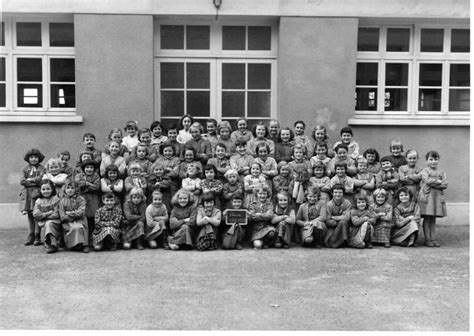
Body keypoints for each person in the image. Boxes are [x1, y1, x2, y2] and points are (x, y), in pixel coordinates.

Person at [418, 150, 448, 247]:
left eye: (436, 159)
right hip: (428, 197)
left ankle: (433, 238)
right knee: (427, 218)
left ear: (438, 160)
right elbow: (427, 180)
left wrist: (437, 184)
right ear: (427, 161)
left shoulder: (441, 172)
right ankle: (427, 239)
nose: (433, 161)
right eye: (431, 159)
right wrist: (438, 182)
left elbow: (445, 183)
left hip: (437, 198)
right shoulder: (425, 171)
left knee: (433, 218)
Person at [20, 148, 46, 246]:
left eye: (36, 157)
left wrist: (30, 180)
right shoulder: (25, 169)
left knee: (37, 214)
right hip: (27, 194)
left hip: (37, 193)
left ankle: (37, 235)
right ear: (28, 158)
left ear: (39, 158)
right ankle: (31, 234)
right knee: (30, 215)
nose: (34, 159)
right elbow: (22, 181)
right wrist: (32, 181)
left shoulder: (42, 168)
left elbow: (41, 179)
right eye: (31, 157)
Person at [75, 159, 101, 245]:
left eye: (91, 167)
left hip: (93, 199)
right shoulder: (79, 175)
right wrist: (88, 185)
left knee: (93, 219)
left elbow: (97, 187)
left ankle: (93, 239)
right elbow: (78, 185)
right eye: (87, 167)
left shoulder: (96, 176)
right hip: (82, 198)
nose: (89, 169)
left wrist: (87, 184)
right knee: (84, 219)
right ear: (83, 168)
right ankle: (83, 240)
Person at [59, 180, 89, 253]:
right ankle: (72, 245)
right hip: (68, 221)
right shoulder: (62, 201)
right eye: (68, 188)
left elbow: (81, 212)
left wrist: (69, 213)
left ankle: (84, 245)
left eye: (72, 188)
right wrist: (72, 216)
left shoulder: (81, 199)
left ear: (76, 189)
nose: (70, 190)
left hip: (80, 220)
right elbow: (62, 216)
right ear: (64, 189)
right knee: (72, 228)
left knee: (80, 227)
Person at [33, 180, 61, 253]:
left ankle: (49, 243)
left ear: (52, 189)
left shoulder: (55, 199)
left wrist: (44, 216)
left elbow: (57, 213)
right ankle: (52, 243)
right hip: (43, 221)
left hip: (55, 221)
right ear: (40, 190)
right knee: (48, 224)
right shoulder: (39, 201)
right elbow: (36, 214)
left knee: (49, 223)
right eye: (43, 189)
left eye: (48, 189)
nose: (46, 191)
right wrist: (48, 213)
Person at [325, 184, 350, 248]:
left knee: (343, 222)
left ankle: (343, 241)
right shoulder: (328, 205)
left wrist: (333, 217)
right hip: (333, 228)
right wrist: (339, 220)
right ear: (332, 193)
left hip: (345, 226)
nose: (337, 194)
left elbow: (347, 217)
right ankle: (336, 242)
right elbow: (328, 221)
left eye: (340, 192)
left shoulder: (347, 203)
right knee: (342, 222)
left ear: (343, 193)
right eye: (335, 192)